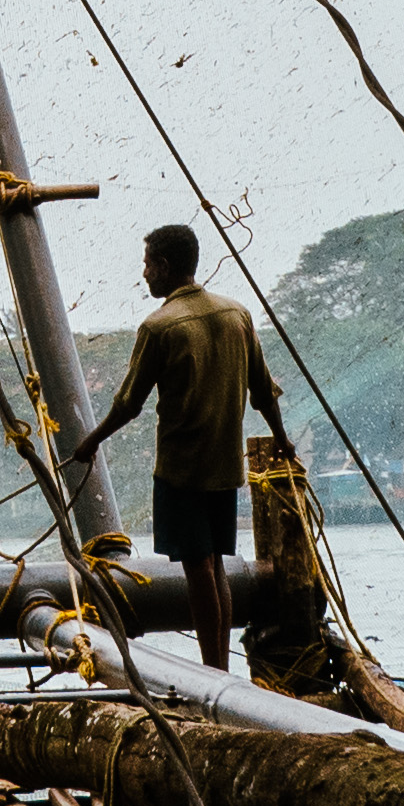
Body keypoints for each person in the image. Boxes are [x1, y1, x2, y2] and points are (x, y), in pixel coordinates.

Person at [71, 223, 283, 671]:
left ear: (165, 267)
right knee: (215, 568)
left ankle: (214, 674)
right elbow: (264, 390)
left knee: (198, 570)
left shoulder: (159, 327)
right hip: (226, 469)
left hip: (181, 471)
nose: (144, 273)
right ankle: (220, 670)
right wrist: (283, 441)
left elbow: (128, 405)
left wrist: (88, 444)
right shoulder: (237, 314)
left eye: (148, 264)